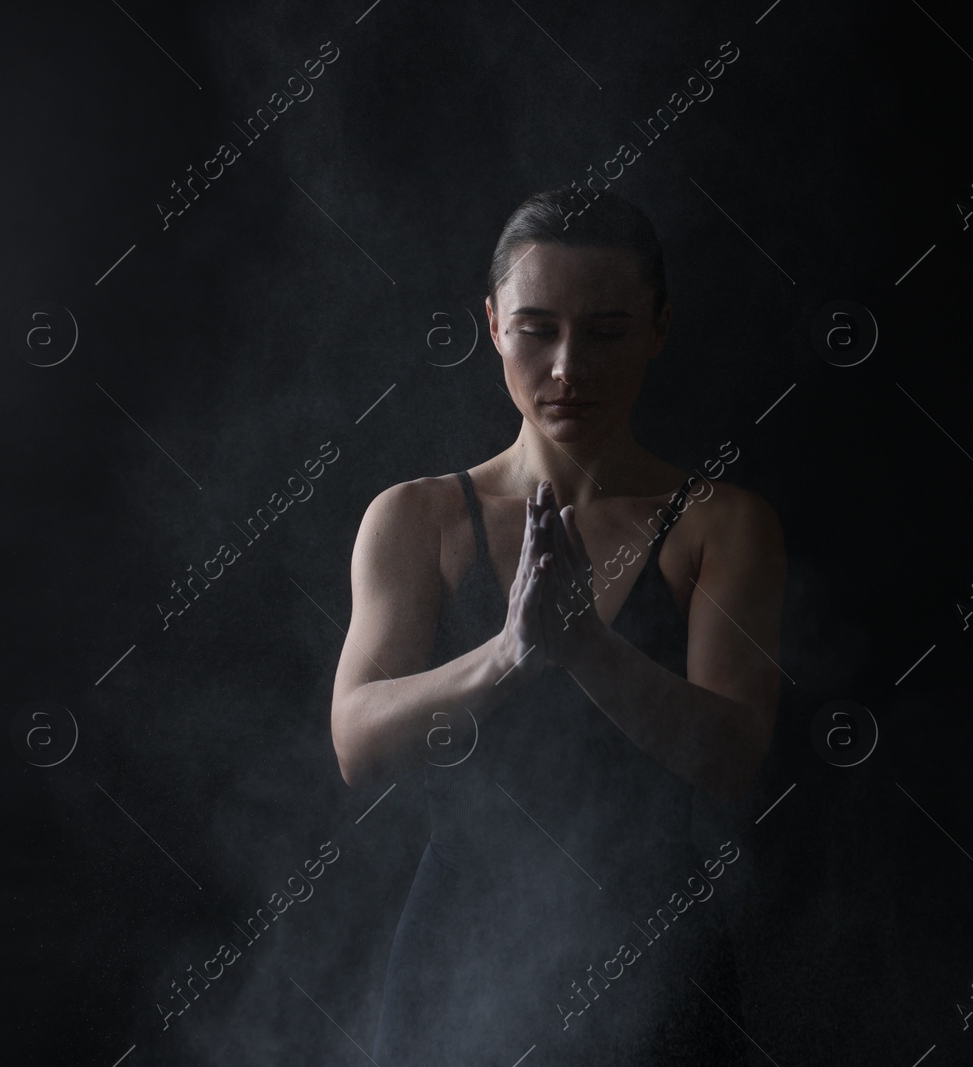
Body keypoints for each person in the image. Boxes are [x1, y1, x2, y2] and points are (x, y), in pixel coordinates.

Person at [329, 188, 786, 1064]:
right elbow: (357, 741)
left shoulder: (721, 523)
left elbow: (733, 756)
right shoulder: (416, 517)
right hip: (455, 946)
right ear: (494, 324)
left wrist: (586, 648)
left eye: (607, 330)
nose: (569, 366)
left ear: (658, 328)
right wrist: (510, 652)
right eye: (537, 328)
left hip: (662, 951)